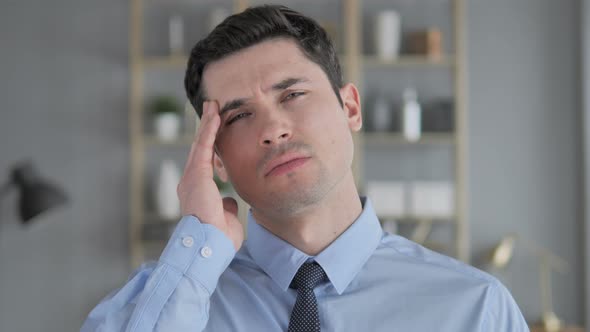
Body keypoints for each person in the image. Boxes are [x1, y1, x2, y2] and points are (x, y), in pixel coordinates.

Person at [82, 5, 529, 332]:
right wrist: (198, 233)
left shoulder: (476, 309)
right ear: (214, 156)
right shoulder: (167, 300)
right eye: (239, 116)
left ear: (350, 107)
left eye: (292, 94)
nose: (273, 129)